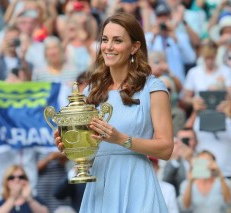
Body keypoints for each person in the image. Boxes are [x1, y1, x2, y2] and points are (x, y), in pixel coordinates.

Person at [55, 12, 174, 213]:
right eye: (105, 40)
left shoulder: (153, 88)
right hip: (100, 185)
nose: (108, 47)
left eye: (117, 41)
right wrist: (71, 146)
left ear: (135, 47)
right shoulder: (90, 90)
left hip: (137, 183)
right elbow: (91, 151)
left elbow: (166, 149)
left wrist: (121, 139)